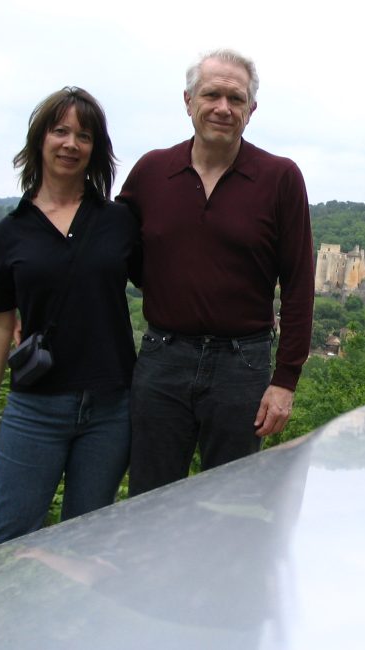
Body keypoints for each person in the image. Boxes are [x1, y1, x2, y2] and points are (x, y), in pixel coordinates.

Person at [117, 48, 315, 496]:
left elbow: (300, 285)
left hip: (241, 366)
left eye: (236, 98)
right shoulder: (152, 172)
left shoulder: (280, 177)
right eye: (211, 95)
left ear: (251, 109)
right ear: (188, 101)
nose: (223, 108)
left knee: (231, 502)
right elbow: (111, 252)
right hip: (163, 358)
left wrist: (285, 381)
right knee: (150, 498)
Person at [0, 87, 142, 549]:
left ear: (95, 149)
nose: (71, 144)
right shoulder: (9, 233)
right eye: (60, 131)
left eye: (83, 136)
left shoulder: (118, 221)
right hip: (36, 407)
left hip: (111, 407)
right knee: (6, 541)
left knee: (84, 543)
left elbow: (164, 284)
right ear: (40, 140)